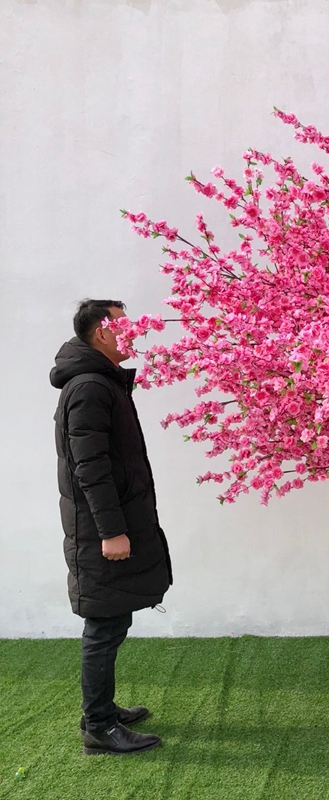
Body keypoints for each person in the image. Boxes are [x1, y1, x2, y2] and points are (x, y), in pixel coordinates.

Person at [51, 299, 173, 755]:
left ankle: (101, 709)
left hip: (113, 521)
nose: (136, 330)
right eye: (126, 324)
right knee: (103, 626)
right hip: (98, 530)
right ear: (102, 332)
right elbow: (90, 469)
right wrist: (110, 532)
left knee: (113, 620)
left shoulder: (102, 383)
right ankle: (98, 726)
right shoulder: (89, 387)